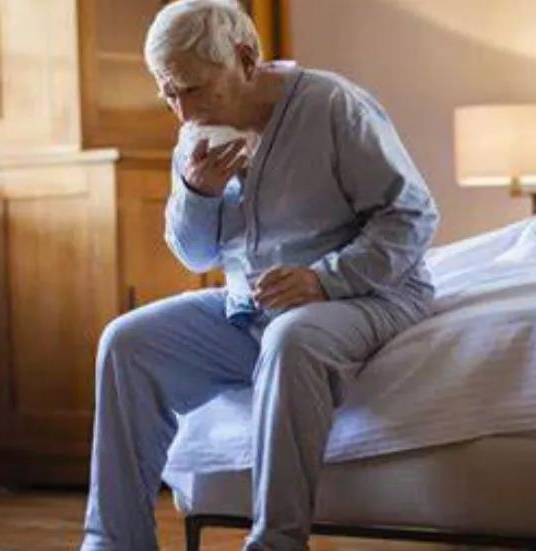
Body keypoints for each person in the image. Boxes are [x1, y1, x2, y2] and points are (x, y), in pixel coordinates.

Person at [79, 1, 439, 549]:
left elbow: (411, 218)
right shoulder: (196, 133)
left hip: (371, 295)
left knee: (290, 338)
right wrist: (197, 192)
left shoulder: (332, 106)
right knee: (126, 343)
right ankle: (113, 542)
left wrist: (323, 280)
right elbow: (196, 256)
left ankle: (276, 543)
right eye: (167, 92)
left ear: (245, 59)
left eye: (194, 89)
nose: (181, 110)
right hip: (250, 307)